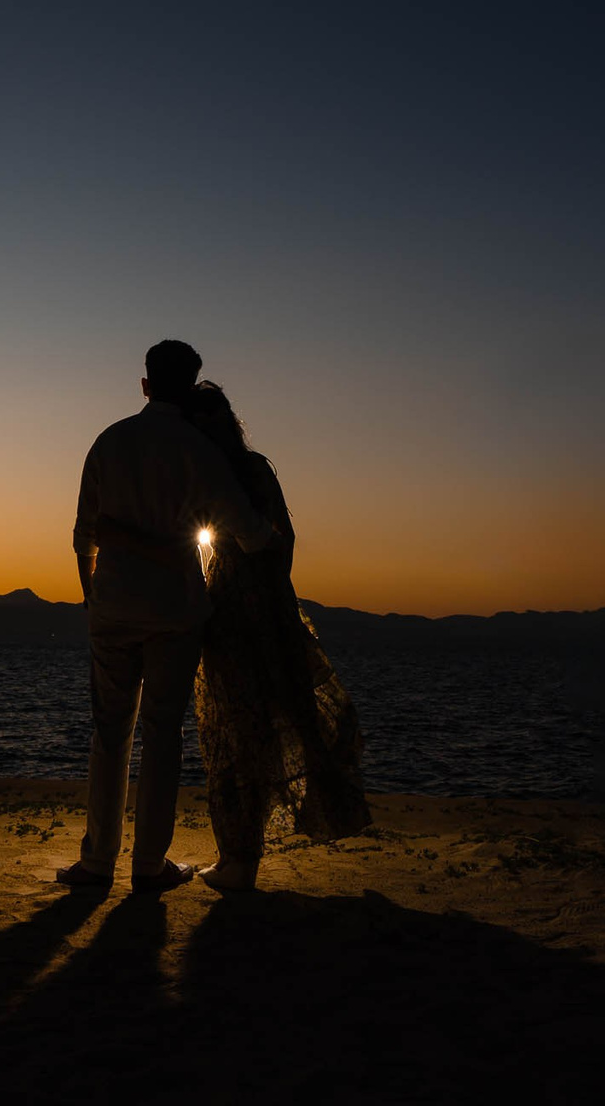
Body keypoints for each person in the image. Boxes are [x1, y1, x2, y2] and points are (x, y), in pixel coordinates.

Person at [59, 340, 275, 892]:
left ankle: (98, 861)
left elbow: (84, 537)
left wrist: (92, 595)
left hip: (113, 607)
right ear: (190, 387)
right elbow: (251, 535)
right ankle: (149, 866)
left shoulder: (109, 441)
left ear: (145, 385)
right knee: (161, 736)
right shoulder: (199, 451)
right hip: (176, 612)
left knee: (110, 733)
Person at [177, 380, 371, 891]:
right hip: (265, 602)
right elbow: (285, 538)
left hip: (233, 608)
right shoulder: (252, 468)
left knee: (235, 732)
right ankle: (241, 856)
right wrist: (272, 588)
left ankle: (240, 858)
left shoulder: (211, 474)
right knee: (263, 726)